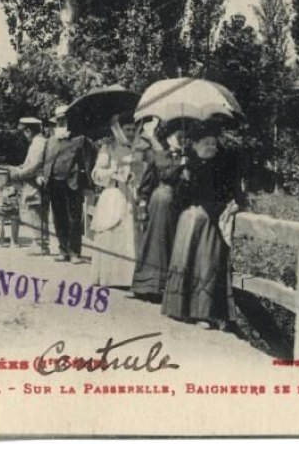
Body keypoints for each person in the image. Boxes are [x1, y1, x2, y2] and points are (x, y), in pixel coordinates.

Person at [161, 122, 248, 330]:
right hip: (189, 222)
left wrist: (231, 205)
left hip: (209, 222)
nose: (211, 147)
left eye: (213, 144)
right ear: (196, 145)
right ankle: (179, 308)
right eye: (206, 144)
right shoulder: (187, 166)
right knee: (185, 262)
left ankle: (202, 313)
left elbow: (233, 193)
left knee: (205, 263)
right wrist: (184, 176)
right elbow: (176, 196)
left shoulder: (222, 166)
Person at [90, 113, 147, 287]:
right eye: (126, 129)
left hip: (132, 194)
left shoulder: (139, 148)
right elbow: (96, 175)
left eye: (133, 129)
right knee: (111, 231)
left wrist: (136, 170)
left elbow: (144, 174)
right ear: (118, 129)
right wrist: (114, 171)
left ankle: (128, 278)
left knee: (130, 233)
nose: (130, 132)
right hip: (113, 193)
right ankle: (109, 277)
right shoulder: (109, 148)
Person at [131, 123, 184, 302]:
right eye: (176, 135)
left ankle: (168, 289)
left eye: (182, 136)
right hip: (158, 209)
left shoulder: (189, 158)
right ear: (168, 138)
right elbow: (146, 186)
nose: (179, 139)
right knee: (155, 245)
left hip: (177, 209)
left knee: (174, 246)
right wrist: (142, 208)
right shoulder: (159, 157)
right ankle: (148, 287)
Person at [38, 105, 94, 264]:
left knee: (74, 218)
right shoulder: (50, 141)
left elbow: (89, 159)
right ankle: (63, 250)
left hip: (73, 183)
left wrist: (87, 182)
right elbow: (43, 161)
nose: (61, 123)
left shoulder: (80, 139)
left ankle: (74, 252)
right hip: (54, 183)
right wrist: (41, 175)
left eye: (64, 120)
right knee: (58, 217)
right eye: (59, 121)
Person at [7, 117, 48, 250]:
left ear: (28, 131)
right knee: (35, 212)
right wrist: (19, 167)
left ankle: (41, 244)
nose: (24, 135)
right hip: (33, 183)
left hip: (35, 184)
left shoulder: (38, 143)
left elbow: (35, 166)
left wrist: (18, 174)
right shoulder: (37, 142)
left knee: (37, 213)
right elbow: (29, 164)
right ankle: (40, 243)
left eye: (24, 132)